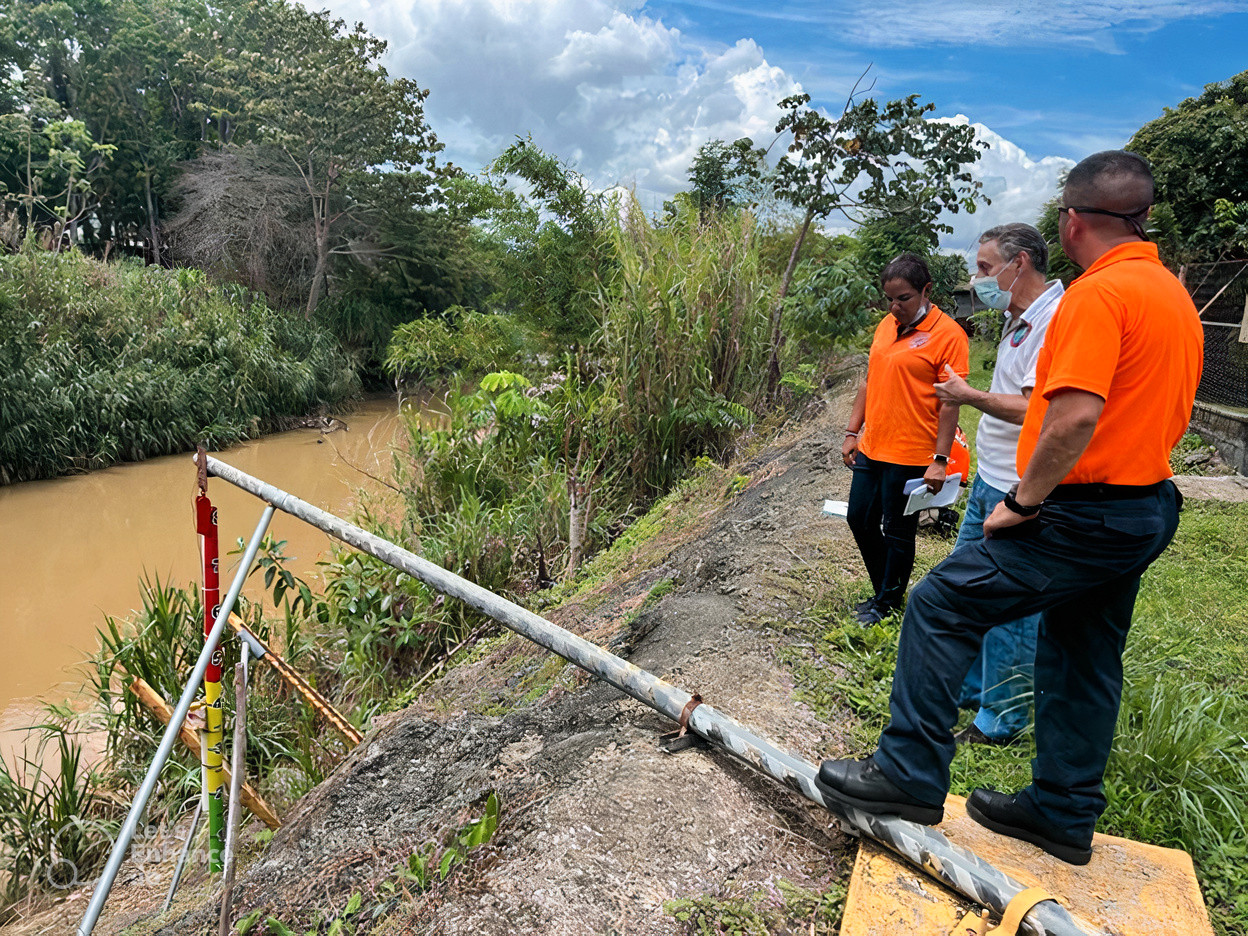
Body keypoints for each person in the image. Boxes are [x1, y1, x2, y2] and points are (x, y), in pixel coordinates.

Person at [815, 151, 1203, 866]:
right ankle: (1062, 810)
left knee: (940, 604)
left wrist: (1024, 502)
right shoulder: (1171, 294)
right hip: (1145, 504)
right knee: (1083, 654)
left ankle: (907, 773)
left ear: (1072, 220)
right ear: (1143, 217)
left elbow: (1072, 416)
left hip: (1084, 511)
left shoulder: (1098, 295)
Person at [932, 223, 1064, 746]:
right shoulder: (1018, 320)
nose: (978, 279)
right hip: (991, 477)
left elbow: (1037, 410)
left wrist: (968, 395)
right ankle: (970, 689)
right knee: (968, 589)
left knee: (1010, 605)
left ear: (1020, 263)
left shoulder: (1053, 322)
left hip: (1020, 490)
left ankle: (1001, 719)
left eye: (986, 268)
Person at [842, 253, 968, 626]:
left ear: (926, 290)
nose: (895, 307)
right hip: (873, 445)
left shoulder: (949, 335)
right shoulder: (886, 326)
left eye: (904, 298)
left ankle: (887, 602)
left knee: (898, 531)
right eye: (889, 299)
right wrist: (852, 431)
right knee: (859, 518)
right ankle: (886, 590)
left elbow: (950, 404)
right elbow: (869, 380)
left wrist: (940, 460)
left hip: (912, 452)